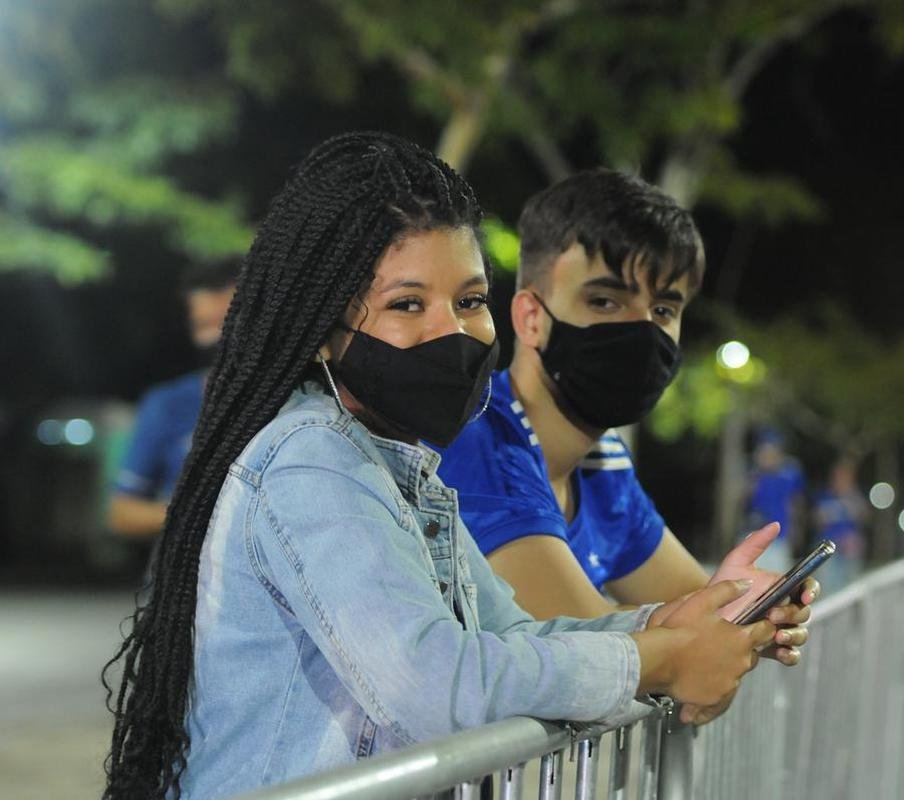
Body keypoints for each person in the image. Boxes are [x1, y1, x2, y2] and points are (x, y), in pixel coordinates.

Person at [102, 133, 803, 800]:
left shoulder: (395, 464)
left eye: (469, 301)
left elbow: (512, 635)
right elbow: (435, 686)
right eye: (407, 304)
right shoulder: (310, 462)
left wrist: (682, 619)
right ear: (326, 326)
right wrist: (664, 660)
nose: (454, 331)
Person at [437, 170, 820, 622]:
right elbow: (595, 661)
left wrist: (744, 606)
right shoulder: (479, 443)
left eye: (663, 309)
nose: (641, 331)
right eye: (605, 302)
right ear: (531, 317)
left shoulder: (602, 462)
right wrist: (713, 627)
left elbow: (692, 617)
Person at [107, 260, 239, 539]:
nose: (214, 336)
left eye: (225, 322)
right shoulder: (167, 404)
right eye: (204, 324)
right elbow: (121, 513)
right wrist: (206, 513)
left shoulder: (293, 401)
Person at [746, 430, 808, 574]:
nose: (767, 456)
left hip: (780, 537)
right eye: (763, 452)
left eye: (771, 451)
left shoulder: (789, 474)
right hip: (754, 535)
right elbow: (744, 502)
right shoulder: (754, 475)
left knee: (778, 580)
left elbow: (796, 503)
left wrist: (797, 529)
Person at [811, 457, 870, 593]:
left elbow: (865, 517)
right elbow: (816, 520)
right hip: (829, 553)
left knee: (850, 588)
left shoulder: (855, 497)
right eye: (837, 477)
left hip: (849, 552)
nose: (840, 480)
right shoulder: (825, 497)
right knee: (829, 589)